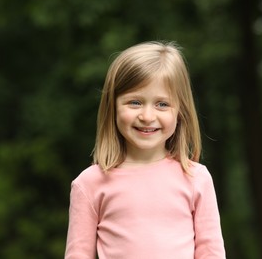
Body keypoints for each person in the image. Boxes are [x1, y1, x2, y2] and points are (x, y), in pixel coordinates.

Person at [64, 41, 225, 259]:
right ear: (113, 106)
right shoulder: (89, 184)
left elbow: (211, 253)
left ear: (181, 111)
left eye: (162, 104)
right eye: (135, 102)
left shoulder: (196, 178)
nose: (147, 116)